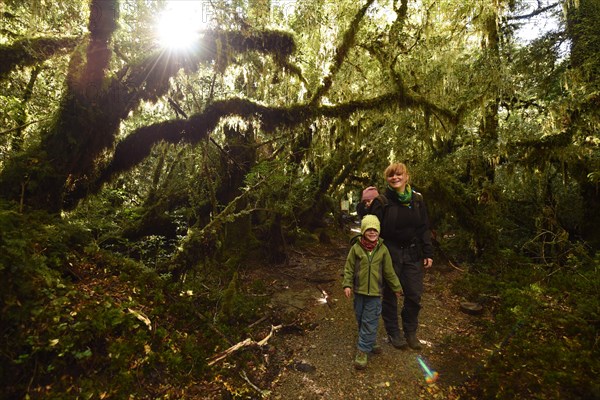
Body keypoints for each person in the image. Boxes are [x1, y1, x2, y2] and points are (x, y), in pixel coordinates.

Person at [369, 162, 433, 351]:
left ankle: (410, 331)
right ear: (387, 179)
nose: (395, 178)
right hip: (390, 254)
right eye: (391, 175)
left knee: (414, 294)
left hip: (413, 253)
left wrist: (428, 251)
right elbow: (372, 230)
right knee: (390, 294)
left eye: (399, 174)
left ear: (406, 177)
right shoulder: (381, 202)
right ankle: (394, 332)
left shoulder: (417, 200)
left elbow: (423, 228)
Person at [342, 214, 402, 370]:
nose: (372, 233)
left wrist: (396, 287)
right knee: (361, 317)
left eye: (375, 230)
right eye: (368, 230)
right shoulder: (356, 248)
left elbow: (389, 271)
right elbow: (348, 269)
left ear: (379, 232)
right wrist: (347, 284)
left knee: (370, 319)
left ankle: (362, 351)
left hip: (375, 293)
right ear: (363, 231)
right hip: (359, 291)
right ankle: (371, 339)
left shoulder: (383, 250)